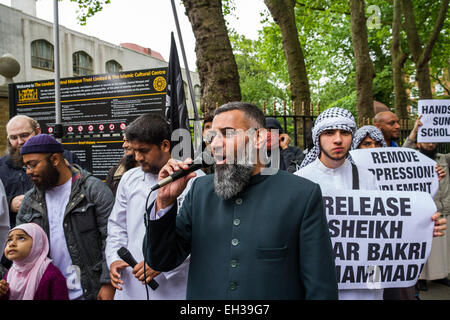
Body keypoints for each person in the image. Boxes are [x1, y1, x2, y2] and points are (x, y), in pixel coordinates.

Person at [143, 102, 338, 300]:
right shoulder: (200, 191)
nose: (216, 144)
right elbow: (161, 261)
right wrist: (164, 202)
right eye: (212, 137)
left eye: (227, 133)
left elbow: (321, 287)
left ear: (259, 138)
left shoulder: (301, 194)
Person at [295, 107, 446, 300]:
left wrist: (423, 227)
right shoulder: (299, 181)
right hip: (320, 285)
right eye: (329, 133)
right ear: (318, 137)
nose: (338, 139)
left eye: (345, 132)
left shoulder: (369, 178)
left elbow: (387, 227)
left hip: (366, 287)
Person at [105, 114, 203, 300]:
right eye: (134, 151)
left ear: (165, 145)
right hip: (131, 283)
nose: (138, 157)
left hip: (174, 286)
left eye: (144, 150)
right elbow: (117, 225)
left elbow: (202, 238)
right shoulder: (129, 178)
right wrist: (114, 258)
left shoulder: (195, 180)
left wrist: (163, 263)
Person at [15, 134, 115, 300]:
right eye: (26, 166)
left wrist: (107, 282)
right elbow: (19, 247)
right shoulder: (30, 200)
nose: (28, 172)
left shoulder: (93, 190)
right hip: (47, 292)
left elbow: (112, 237)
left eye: (33, 165)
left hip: (90, 290)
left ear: (55, 159)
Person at [0, 115, 82, 229]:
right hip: (19, 234)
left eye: (24, 135)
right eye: (13, 138)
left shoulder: (65, 158)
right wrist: (9, 204)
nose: (19, 142)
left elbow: (83, 190)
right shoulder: (1, 166)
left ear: (37, 131)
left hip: (61, 227)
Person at [403, 115, 450, 291]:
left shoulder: (444, 159)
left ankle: (441, 275)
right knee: (425, 248)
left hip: (444, 209)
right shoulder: (412, 158)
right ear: (418, 144)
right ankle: (421, 278)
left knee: (443, 249)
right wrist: (415, 130)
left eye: (433, 141)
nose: (430, 144)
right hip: (424, 211)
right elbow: (403, 150)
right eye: (426, 141)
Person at [0, 223, 69, 300]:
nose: (11, 244)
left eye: (21, 238)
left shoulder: (51, 275)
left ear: (37, 244)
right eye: (9, 239)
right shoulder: (10, 274)